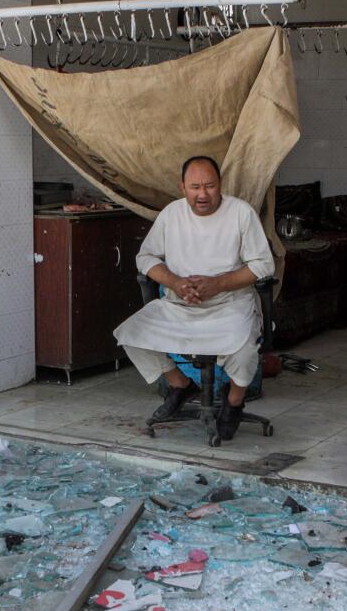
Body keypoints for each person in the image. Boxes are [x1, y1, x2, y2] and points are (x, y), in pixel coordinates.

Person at [114, 156, 275, 442]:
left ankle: (235, 402)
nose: (203, 194)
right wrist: (175, 282)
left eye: (210, 186)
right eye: (195, 187)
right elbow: (145, 257)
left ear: (221, 185)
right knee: (130, 333)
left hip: (230, 305)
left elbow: (264, 265)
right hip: (180, 305)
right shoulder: (171, 214)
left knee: (245, 350)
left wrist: (219, 284)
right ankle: (181, 385)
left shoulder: (240, 213)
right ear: (183, 187)